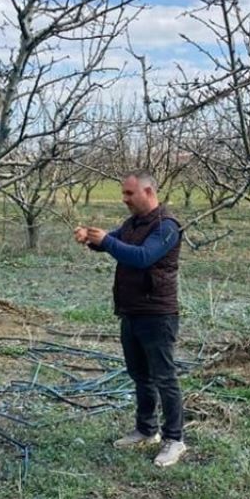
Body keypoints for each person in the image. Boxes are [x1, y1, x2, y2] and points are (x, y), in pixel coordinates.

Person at [73, 171, 186, 468]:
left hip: (158, 314)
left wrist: (106, 241)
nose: (124, 199)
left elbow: (141, 257)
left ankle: (175, 439)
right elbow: (116, 241)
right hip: (131, 311)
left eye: (129, 194)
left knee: (165, 377)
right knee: (141, 376)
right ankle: (147, 430)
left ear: (148, 192)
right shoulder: (133, 223)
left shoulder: (167, 227)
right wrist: (91, 239)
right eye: (123, 193)